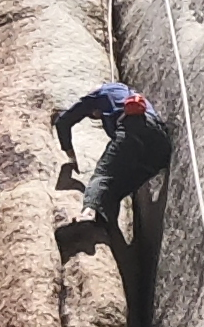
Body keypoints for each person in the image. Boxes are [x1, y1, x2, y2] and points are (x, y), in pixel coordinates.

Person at [53, 80, 174, 225]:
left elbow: (63, 122)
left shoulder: (98, 95)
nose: (96, 116)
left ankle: (88, 213)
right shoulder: (124, 92)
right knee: (117, 188)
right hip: (160, 143)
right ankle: (106, 220)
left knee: (103, 174)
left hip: (132, 129)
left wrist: (71, 157)